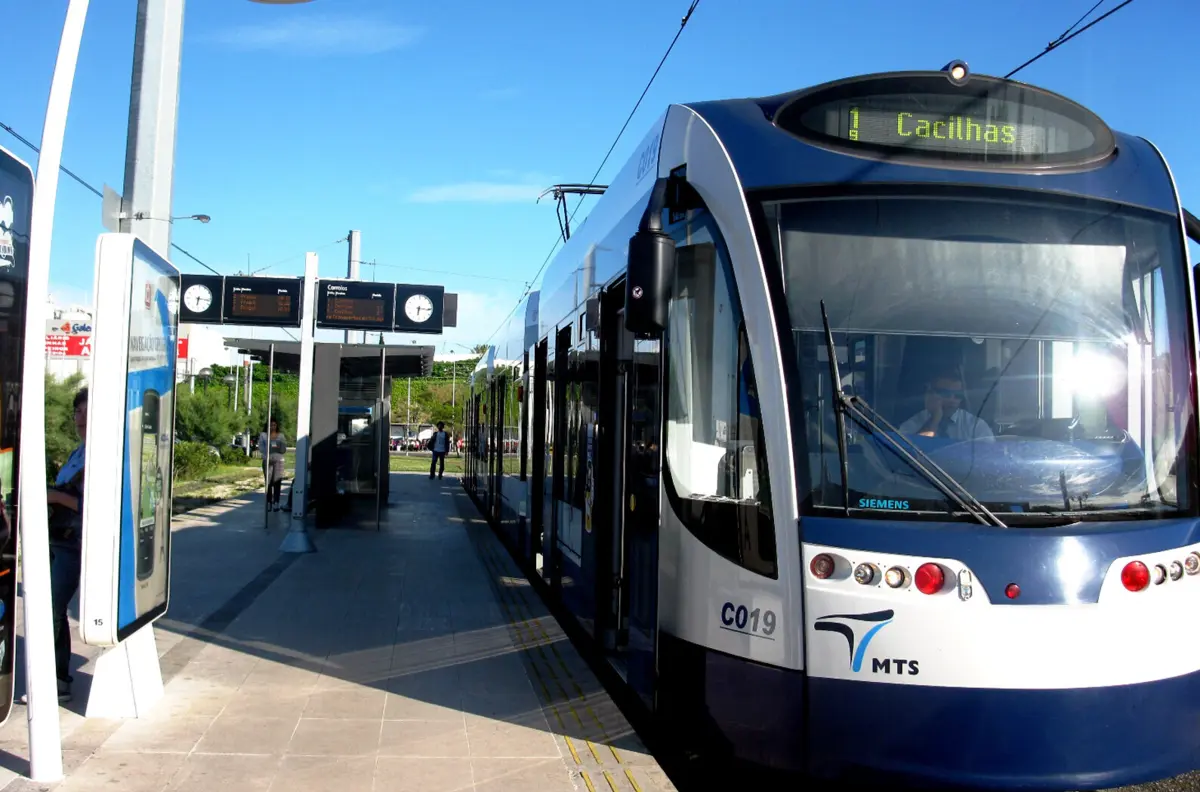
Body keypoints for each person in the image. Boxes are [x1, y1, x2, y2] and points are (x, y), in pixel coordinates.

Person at [40, 387, 88, 704]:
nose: (80, 418)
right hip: (59, 539)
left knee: (53, 609)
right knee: (51, 609)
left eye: (87, 412)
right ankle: (54, 675)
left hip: (76, 543)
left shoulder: (98, 453)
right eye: (77, 412)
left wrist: (55, 496)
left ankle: (58, 678)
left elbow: (90, 503)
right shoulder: (77, 452)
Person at [898, 370, 994, 441]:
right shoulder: (912, 425)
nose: (952, 400)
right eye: (946, 393)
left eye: (957, 395)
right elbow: (912, 456)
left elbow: (988, 459)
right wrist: (934, 419)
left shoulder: (976, 427)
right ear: (931, 394)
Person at [259, 419, 287, 511]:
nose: (272, 427)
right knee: (268, 482)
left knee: (277, 481)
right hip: (267, 459)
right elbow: (262, 448)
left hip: (278, 460)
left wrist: (276, 443)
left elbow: (283, 450)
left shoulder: (281, 436)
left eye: (274, 425)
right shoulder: (263, 435)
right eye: (271, 425)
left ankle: (276, 502)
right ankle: (268, 502)